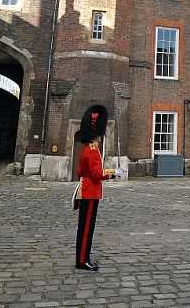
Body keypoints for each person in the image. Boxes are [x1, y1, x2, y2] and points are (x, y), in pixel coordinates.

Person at [75, 105, 116, 271]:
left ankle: (82, 257)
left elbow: (80, 171)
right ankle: (83, 260)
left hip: (87, 189)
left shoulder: (88, 148)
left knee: (85, 226)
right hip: (91, 192)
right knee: (86, 228)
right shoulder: (92, 150)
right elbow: (97, 173)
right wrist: (113, 172)